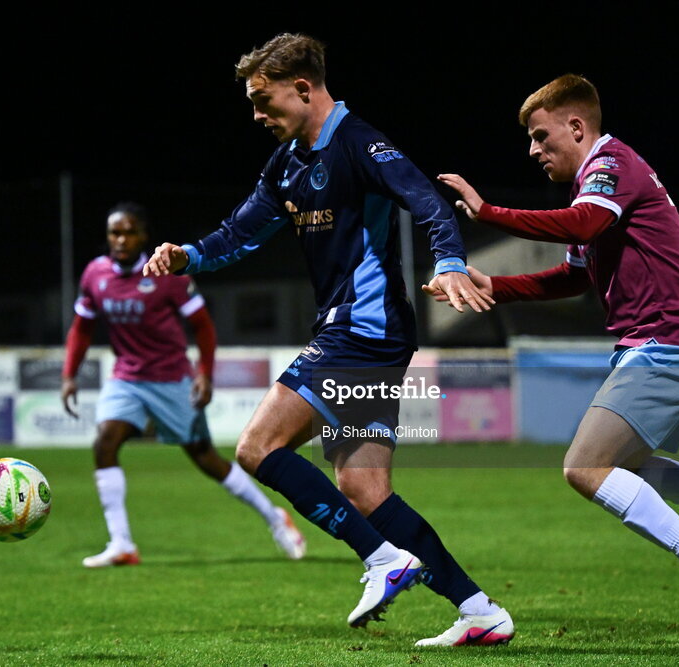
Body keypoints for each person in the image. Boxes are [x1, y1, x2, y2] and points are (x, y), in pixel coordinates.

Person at [143, 34, 513, 647]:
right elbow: (241, 232)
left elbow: (428, 203)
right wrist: (187, 255)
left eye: (264, 100)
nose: (257, 114)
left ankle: (383, 561)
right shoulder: (286, 163)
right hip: (360, 335)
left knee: (257, 447)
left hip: (364, 331)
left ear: (304, 88)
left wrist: (448, 260)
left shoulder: (359, 143)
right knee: (365, 491)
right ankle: (479, 610)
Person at [429, 74, 679, 636]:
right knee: (624, 466)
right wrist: (493, 284)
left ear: (577, 126)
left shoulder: (611, 165)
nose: (533, 149)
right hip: (661, 344)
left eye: (541, 135)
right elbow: (571, 278)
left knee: (584, 466)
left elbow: (583, 225)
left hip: (668, 342)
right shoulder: (593, 193)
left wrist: (490, 213)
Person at [62, 202, 306, 568]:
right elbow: (81, 328)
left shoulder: (167, 274)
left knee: (206, 459)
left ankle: (274, 517)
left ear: (144, 236)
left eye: (129, 232)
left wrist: (205, 373)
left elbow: (204, 327)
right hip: (126, 379)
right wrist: (69, 375)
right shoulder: (95, 275)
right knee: (105, 442)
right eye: (115, 232)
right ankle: (122, 543)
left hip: (172, 379)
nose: (121, 239)